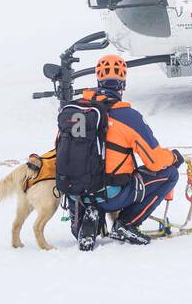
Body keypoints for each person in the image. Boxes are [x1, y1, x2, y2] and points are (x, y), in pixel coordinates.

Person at [69, 54, 183, 247]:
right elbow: (154, 161)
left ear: (98, 81)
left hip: (76, 195)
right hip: (111, 196)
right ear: (123, 85)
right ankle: (126, 223)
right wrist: (173, 157)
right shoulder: (128, 117)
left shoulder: (74, 111)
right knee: (170, 173)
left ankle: (88, 218)